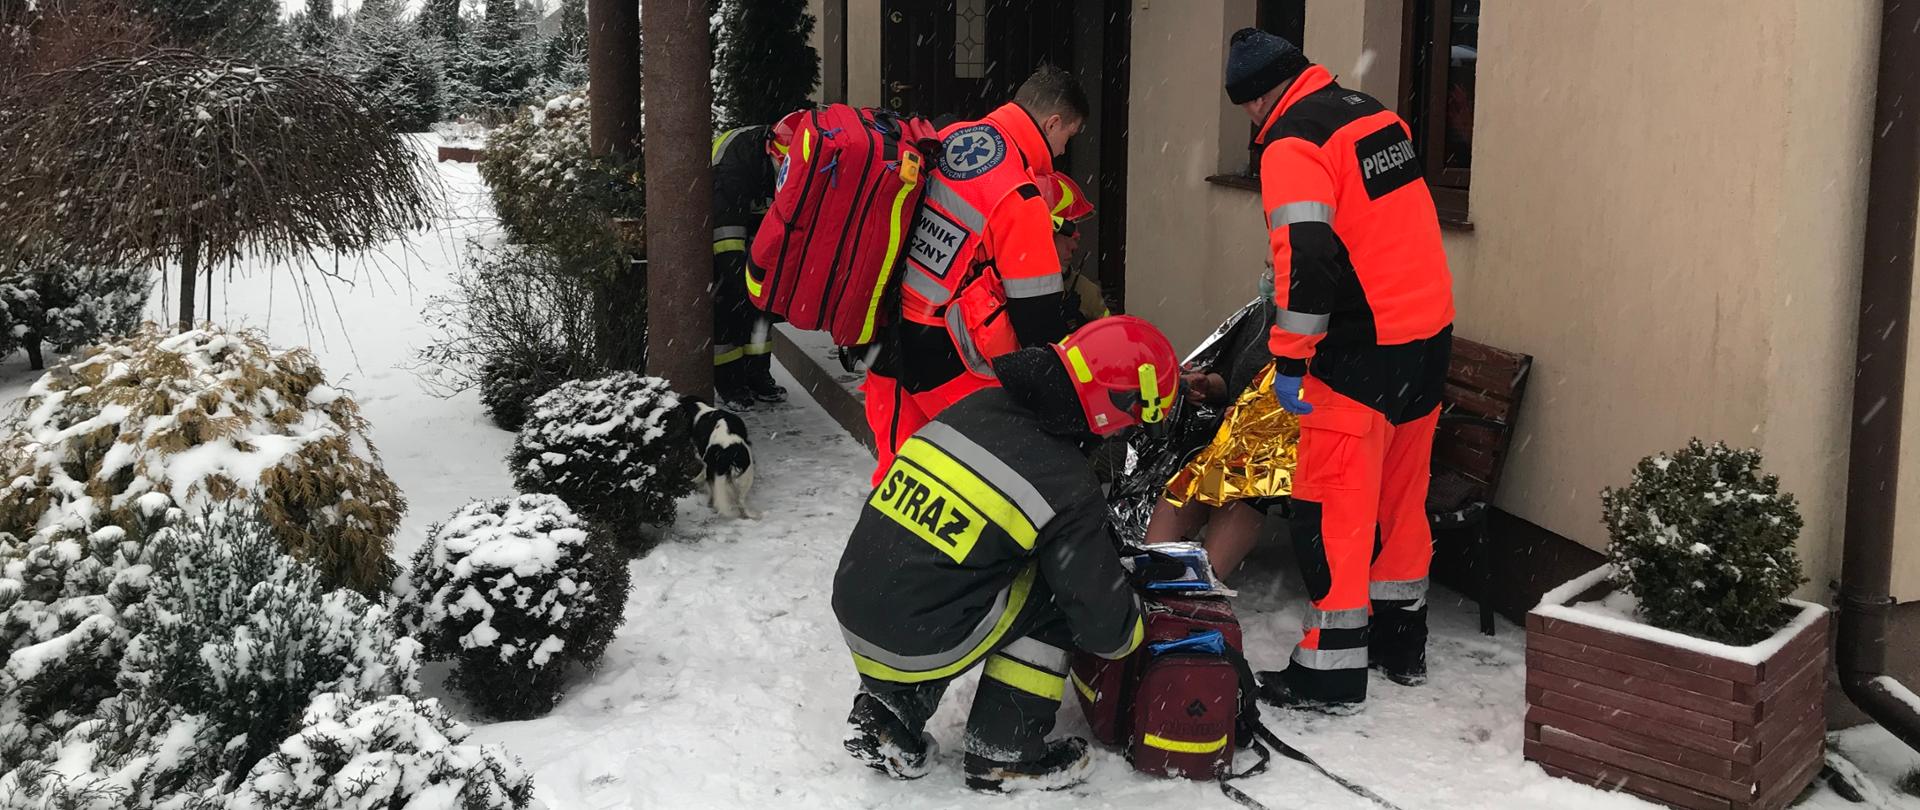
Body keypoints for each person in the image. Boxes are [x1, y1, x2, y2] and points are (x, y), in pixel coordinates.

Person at [835, 316, 1181, 793]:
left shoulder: (983, 404)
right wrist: (1133, 617)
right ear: (1116, 406)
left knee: (961, 571)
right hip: (916, 632)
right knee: (1057, 595)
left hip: (860, 603)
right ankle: (1007, 752)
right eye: (1137, 417)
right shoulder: (1065, 481)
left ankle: (887, 714)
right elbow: (1106, 631)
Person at [1225, 27, 1455, 713]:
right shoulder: (1374, 115)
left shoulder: (1294, 143)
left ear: (1262, 97)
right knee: (1400, 500)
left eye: (1246, 109)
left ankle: (1331, 668)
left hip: (1360, 349)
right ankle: (1399, 640)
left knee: (1333, 510)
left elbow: (1308, 260)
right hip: (1429, 334)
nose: (1250, 122)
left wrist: (1290, 359)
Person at [860, 64, 1089, 486]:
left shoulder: (945, 140)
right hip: (946, 360)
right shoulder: (1019, 194)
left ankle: (886, 551)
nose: (1060, 152)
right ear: (1052, 122)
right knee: (978, 486)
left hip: (885, 338)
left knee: (900, 481)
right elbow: (1038, 323)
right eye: (1067, 137)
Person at [1144, 273, 1291, 580]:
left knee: (1236, 475)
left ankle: (1201, 579)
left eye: (1274, 268)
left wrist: (1250, 417)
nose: (1266, 278)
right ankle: (1155, 565)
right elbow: (1233, 376)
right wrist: (1209, 385)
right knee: (1189, 470)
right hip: (1229, 431)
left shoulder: (1318, 327)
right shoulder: (1261, 314)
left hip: (1276, 440)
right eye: (1265, 268)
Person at [710, 111, 804, 409]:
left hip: (759, 228)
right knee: (729, 302)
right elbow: (725, 229)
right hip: (719, 225)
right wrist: (739, 277)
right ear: (771, 152)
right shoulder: (735, 161)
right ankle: (729, 382)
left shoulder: (799, 156)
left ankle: (758, 375)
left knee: (763, 304)